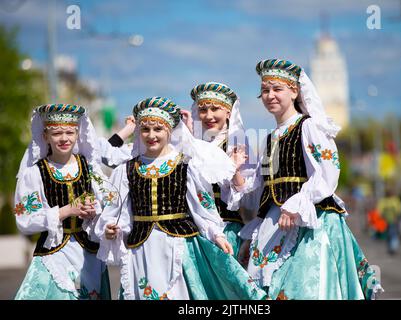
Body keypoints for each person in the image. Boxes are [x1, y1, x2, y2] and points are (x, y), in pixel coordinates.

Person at [234, 59, 383, 300]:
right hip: (273, 225)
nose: (270, 95)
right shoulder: (269, 139)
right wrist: (236, 173)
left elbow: (327, 171)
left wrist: (296, 205)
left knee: (304, 288)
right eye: (264, 90)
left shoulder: (309, 127)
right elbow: (260, 193)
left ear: (294, 91)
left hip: (309, 222)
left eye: (277, 88)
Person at [94, 97, 266, 300]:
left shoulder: (185, 166)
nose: (151, 135)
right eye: (145, 130)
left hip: (177, 245)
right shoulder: (127, 169)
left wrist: (216, 235)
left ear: (170, 130)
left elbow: (202, 206)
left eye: (158, 129)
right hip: (142, 249)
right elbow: (117, 209)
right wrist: (110, 228)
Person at [13, 104, 111, 300]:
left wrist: (95, 213)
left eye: (69, 132)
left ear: (77, 134)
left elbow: (111, 202)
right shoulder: (35, 173)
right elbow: (24, 219)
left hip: (88, 254)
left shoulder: (90, 168)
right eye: (57, 133)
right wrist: (66, 210)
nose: (64, 138)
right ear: (45, 136)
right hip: (53, 253)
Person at [186, 82, 257, 259]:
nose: (208, 116)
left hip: (228, 229)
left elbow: (249, 201)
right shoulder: (195, 148)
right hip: (196, 231)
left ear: (228, 112)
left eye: (214, 109)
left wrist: (234, 169)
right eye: (203, 110)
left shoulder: (238, 145)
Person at [377, 189, 401, 255]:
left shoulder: (394, 200)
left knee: (392, 234)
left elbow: (399, 210)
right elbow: (379, 211)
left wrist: (396, 218)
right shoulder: (385, 201)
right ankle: (391, 248)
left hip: (393, 221)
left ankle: (393, 248)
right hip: (387, 221)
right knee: (389, 235)